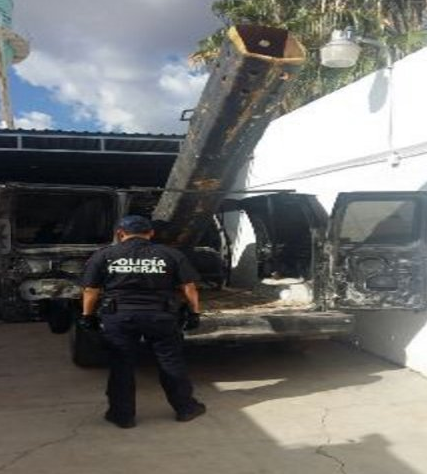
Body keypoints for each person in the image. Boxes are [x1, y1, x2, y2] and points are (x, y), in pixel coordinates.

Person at [79, 215, 206, 429]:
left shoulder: (105, 255)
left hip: (119, 317)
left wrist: (87, 316)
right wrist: (194, 313)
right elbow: (189, 288)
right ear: (151, 233)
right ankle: (186, 408)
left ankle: (122, 416)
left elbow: (91, 290)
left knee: (121, 365)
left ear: (120, 233)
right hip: (161, 316)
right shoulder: (170, 254)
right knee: (170, 362)